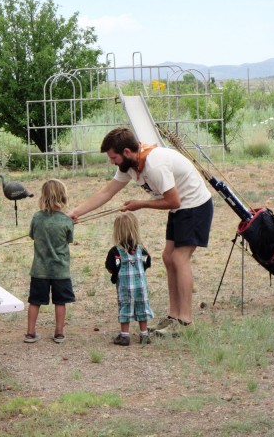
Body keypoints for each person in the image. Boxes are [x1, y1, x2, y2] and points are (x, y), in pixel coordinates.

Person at [70, 127, 213, 337]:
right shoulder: (129, 166)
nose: (112, 162)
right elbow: (107, 192)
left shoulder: (155, 165)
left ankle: (185, 321)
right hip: (179, 208)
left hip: (195, 205)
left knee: (179, 258)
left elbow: (174, 200)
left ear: (127, 152)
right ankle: (173, 316)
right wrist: (76, 212)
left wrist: (141, 204)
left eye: (113, 157)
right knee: (168, 257)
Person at [25, 179, 75, 344]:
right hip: (60, 270)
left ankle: (30, 333)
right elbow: (69, 239)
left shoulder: (37, 218)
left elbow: (32, 235)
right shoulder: (66, 220)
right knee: (60, 302)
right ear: (63, 197)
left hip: (39, 269)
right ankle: (59, 333)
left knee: (35, 301)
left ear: (43, 196)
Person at [105, 212, 154, 345]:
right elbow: (147, 263)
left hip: (125, 287)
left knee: (125, 307)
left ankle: (125, 335)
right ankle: (144, 334)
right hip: (141, 286)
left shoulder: (115, 252)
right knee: (142, 307)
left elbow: (110, 268)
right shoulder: (142, 249)